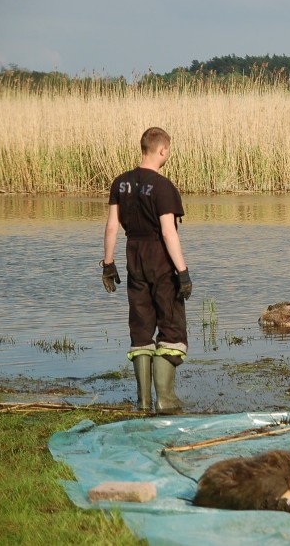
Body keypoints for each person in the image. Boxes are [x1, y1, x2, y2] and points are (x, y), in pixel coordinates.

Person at [101, 127, 192, 413]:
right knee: (171, 324)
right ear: (162, 150)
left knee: (140, 326)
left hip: (133, 256)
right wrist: (183, 272)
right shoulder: (163, 186)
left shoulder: (120, 183)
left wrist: (107, 263)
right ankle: (165, 399)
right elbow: (168, 232)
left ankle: (142, 401)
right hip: (160, 257)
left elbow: (112, 226)